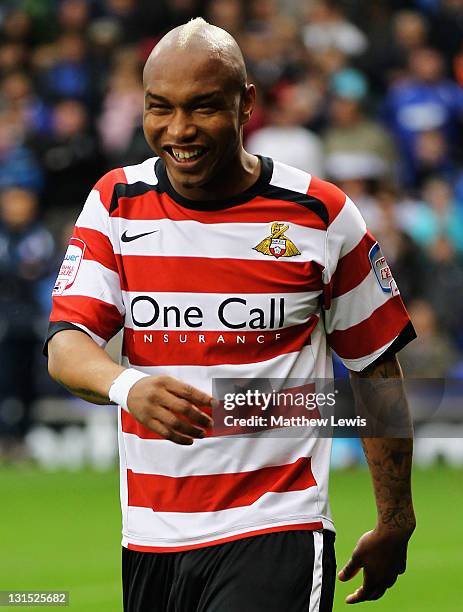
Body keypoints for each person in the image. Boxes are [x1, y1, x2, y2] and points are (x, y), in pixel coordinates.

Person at [45, 18, 416, 612]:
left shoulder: (320, 215)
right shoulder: (115, 202)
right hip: (150, 537)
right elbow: (67, 345)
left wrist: (395, 519)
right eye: (159, 108)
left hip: (279, 527)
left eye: (203, 108)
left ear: (247, 105)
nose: (178, 130)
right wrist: (126, 385)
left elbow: (376, 369)